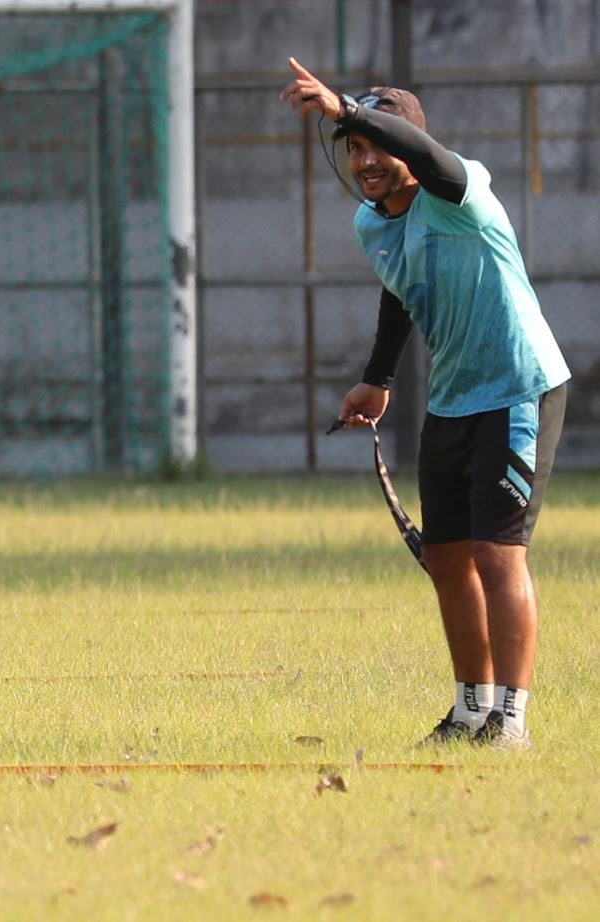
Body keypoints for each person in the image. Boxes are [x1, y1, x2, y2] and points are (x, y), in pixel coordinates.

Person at [280, 59, 569, 749]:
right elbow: (400, 284)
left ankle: (512, 722)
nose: (366, 159)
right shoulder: (370, 223)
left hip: (519, 387)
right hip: (454, 399)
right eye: (354, 149)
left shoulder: (458, 189)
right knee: (446, 559)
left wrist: (348, 109)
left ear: (408, 148)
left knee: (499, 556)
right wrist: (377, 376)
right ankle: (470, 710)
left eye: (377, 144)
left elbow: (427, 158)